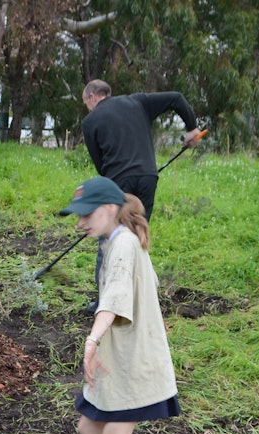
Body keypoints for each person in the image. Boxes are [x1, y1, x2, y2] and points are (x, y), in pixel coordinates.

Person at [58, 176, 180, 434]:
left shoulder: (123, 244)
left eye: (86, 214)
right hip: (124, 358)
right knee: (88, 426)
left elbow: (113, 298)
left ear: (110, 208)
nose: (80, 223)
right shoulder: (116, 240)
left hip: (135, 365)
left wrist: (91, 341)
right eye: (77, 216)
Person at [80, 79, 202, 312]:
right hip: (148, 177)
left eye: (86, 102)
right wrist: (192, 128)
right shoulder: (138, 101)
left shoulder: (90, 121)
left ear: (93, 97)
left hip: (118, 182)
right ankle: (139, 298)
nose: (88, 107)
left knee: (109, 239)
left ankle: (105, 302)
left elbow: (100, 166)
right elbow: (176, 96)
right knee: (137, 234)